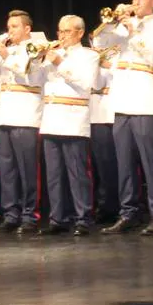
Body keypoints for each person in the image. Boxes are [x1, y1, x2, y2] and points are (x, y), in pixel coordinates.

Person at [95, 0, 153, 235]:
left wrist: (134, 33)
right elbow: (99, 41)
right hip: (121, 100)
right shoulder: (123, 24)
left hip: (145, 99)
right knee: (124, 162)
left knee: (151, 161)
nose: (137, 2)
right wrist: (112, 22)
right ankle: (128, 212)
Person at [36, 16, 100, 235]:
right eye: (60, 31)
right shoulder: (53, 53)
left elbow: (85, 84)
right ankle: (58, 219)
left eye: (67, 31)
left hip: (74, 118)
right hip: (51, 118)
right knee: (53, 174)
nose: (61, 36)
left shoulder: (89, 55)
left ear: (80, 33)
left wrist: (58, 62)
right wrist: (38, 59)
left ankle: (83, 218)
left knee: (77, 172)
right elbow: (35, 81)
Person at [0, 10, 46, 234]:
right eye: (8, 26)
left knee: (27, 169)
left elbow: (31, 76)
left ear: (27, 29)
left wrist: (6, 57)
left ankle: (30, 216)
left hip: (26, 114)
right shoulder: (7, 50)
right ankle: (10, 215)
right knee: (7, 169)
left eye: (14, 26)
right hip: (5, 114)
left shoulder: (37, 47)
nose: (9, 31)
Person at [89, 45, 120, 224]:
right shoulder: (93, 58)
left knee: (110, 164)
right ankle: (102, 205)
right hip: (94, 114)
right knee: (98, 165)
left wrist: (108, 64)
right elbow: (94, 83)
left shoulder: (121, 54)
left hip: (110, 112)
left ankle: (112, 206)